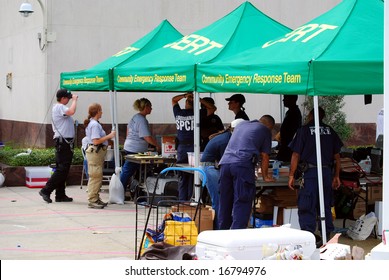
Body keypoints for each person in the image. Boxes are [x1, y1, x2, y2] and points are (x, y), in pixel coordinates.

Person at [287, 107, 343, 246]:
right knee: (325, 204)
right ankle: (327, 236)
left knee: (307, 204)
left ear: (311, 115)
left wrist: (291, 175)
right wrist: (336, 175)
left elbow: (295, 154)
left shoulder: (304, 130)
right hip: (326, 173)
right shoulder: (330, 130)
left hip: (311, 173)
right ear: (323, 116)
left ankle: (309, 238)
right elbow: (337, 156)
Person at [218, 115, 275, 230]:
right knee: (242, 200)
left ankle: (222, 234)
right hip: (242, 165)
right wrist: (265, 176)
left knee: (225, 201)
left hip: (225, 164)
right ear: (269, 126)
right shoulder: (265, 130)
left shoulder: (241, 125)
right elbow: (265, 155)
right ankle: (237, 236)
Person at [199, 118, 245, 229]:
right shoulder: (226, 140)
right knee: (220, 200)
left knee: (221, 199)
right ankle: (220, 229)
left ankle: (220, 227)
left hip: (209, 168)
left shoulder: (226, 136)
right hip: (210, 169)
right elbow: (227, 161)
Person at [39, 89, 78, 203]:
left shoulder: (59, 108)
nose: (69, 100)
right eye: (68, 98)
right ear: (63, 98)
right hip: (63, 142)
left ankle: (60, 194)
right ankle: (46, 190)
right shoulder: (59, 107)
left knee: (63, 169)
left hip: (64, 142)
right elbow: (71, 111)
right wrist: (75, 100)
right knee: (62, 169)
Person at [120, 98, 160, 191]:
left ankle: (128, 190)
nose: (151, 109)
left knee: (129, 171)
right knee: (128, 171)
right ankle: (120, 190)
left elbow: (128, 130)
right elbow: (147, 137)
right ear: (146, 107)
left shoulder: (135, 117)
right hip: (135, 150)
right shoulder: (142, 120)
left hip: (129, 146)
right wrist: (157, 145)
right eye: (150, 107)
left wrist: (129, 140)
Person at [83, 103, 116, 209]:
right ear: (97, 112)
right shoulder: (95, 125)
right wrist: (109, 136)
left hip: (96, 153)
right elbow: (96, 141)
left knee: (97, 175)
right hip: (95, 152)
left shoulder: (94, 123)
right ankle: (92, 199)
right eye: (100, 110)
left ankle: (96, 198)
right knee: (95, 176)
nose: (102, 112)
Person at [172, 92, 195, 201]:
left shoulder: (179, 113)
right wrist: (195, 97)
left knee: (183, 176)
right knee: (191, 175)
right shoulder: (197, 114)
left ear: (186, 103)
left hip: (183, 148)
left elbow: (174, 100)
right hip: (193, 148)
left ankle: (182, 200)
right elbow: (212, 108)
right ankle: (188, 200)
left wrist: (185, 95)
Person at [276, 95, 302, 163]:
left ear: (292, 100)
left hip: (289, 147)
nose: (283, 100)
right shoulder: (290, 112)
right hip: (285, 145)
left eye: (285, 98)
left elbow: (294, 131)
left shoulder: (294, 113)